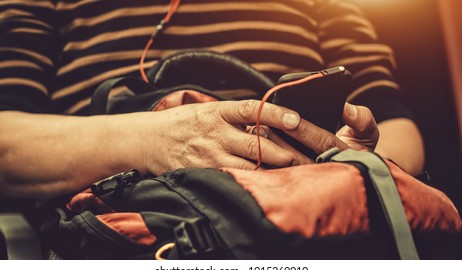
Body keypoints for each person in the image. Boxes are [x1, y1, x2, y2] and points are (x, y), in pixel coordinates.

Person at [0, 0, 424, 199]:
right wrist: (152, 140)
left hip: (306, 223)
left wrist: (343, 165)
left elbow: (398, 132)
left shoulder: (326, 5)